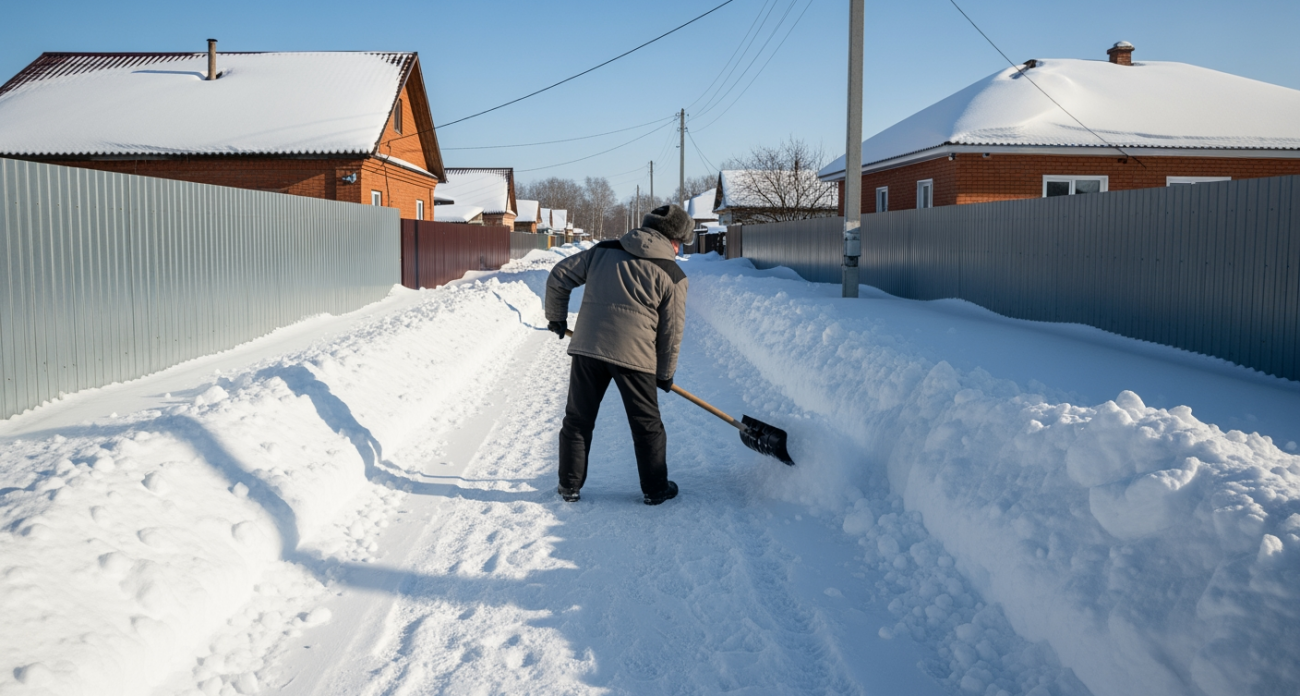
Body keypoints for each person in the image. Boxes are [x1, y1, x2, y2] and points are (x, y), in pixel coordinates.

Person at [544, 204, 694, 505]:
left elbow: (559, 275)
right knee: (647, 425)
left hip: (588, 349)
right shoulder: (674, 274)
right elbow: (671, 334)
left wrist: (556, 317)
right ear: (672, 239)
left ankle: (568, 486)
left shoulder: (603, 250)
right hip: (636, 358)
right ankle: (655, 489)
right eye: (680, 243)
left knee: (577, 419)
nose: (679, 250)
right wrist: (664, 373)